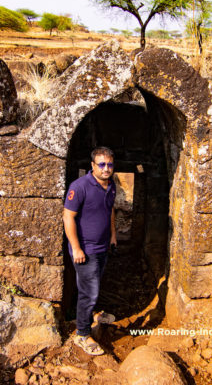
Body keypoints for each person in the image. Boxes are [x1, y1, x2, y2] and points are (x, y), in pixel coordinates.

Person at [63, 147, 118, 356]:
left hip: (103, 246)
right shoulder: (80, 186)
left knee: (91, 287)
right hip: (85, 249)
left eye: (110, 164)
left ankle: (89, 315)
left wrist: (113, 234)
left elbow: (110, 208)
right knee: (89, 291)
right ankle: (82, 334)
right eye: (102, 164)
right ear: (93, 166)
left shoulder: (110, 185)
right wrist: (76, 248)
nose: (106, 168)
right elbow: (68, 217)